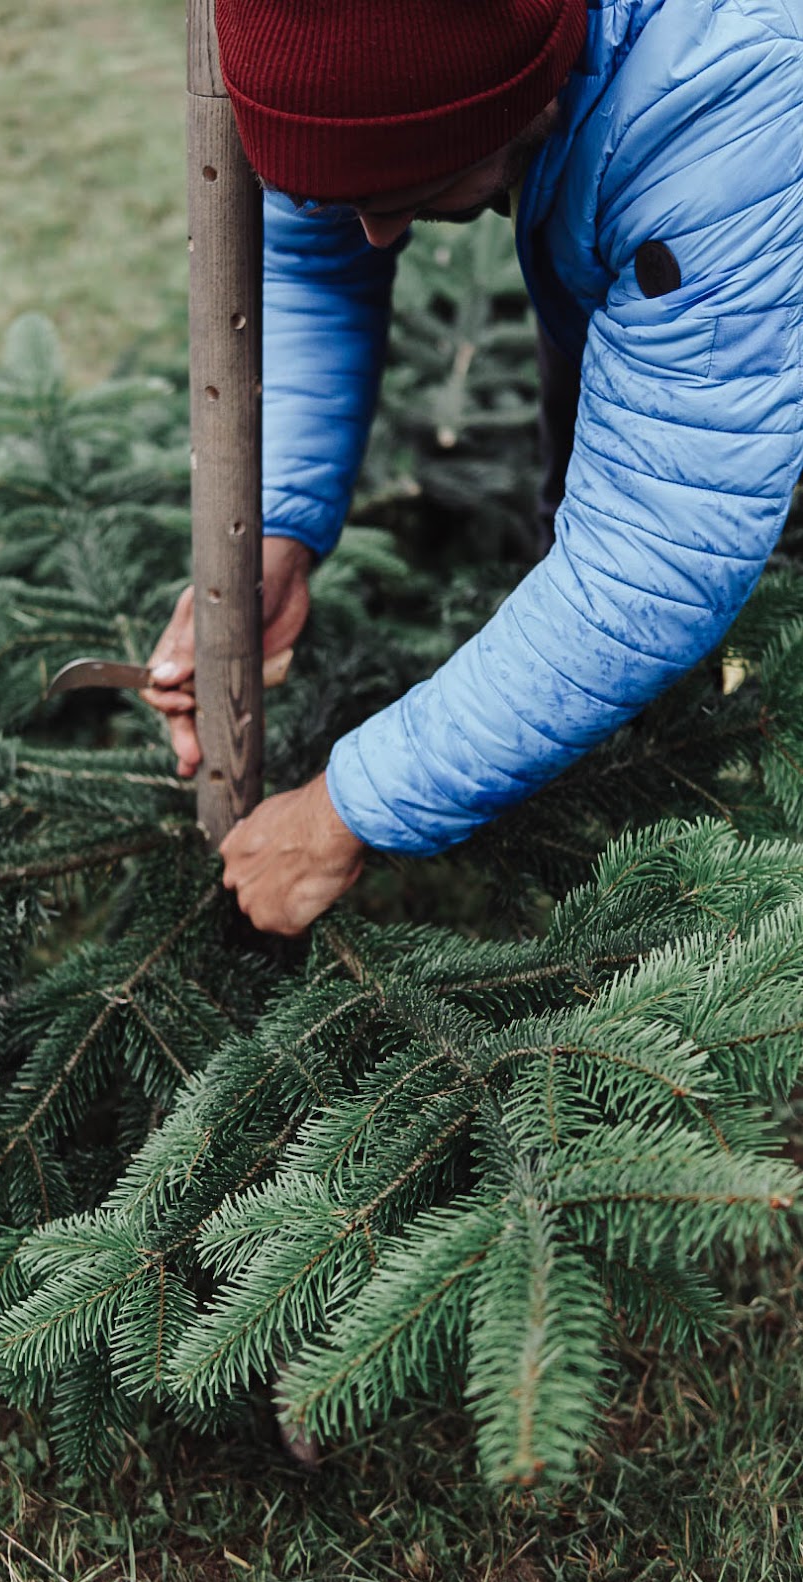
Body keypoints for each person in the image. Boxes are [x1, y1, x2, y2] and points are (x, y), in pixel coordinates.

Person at [145, 0, 803, 936]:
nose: (377, 236)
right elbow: (315, 249)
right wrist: (277, 532)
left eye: (413, 188)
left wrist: (348, 808)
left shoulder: (728, 111)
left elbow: (656, 553)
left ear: (525, 85)